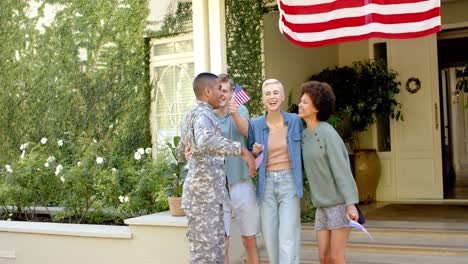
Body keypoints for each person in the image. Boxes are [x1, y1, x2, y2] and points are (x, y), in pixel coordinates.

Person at [176, 72, 256, 264]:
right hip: (203, 198)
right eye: (219, 90)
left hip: (210, 196)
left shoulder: (193, 114)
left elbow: (180, 151)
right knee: (205, 256)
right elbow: (206, 141)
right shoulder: (202, 114)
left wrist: (188, 151)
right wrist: (241, 150)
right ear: (208, 90)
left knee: (214, 253)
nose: (223, 94)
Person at [297, 81, 359, 264]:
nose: (300, 105)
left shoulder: (327, 132)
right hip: (321, 206)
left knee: (336, 257)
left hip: (339, 204)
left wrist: (351, 203)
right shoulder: (303, 135)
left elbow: (342, 169)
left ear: (316, 107)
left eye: (305, 102)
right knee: (323, 257)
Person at [247, 79, 303, 264]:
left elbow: (305, 148)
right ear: (263, 99)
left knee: (287, 238)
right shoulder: (255, 124)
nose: (272, 97)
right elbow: (251, 159)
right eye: (268, 93)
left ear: (283, 96)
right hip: (267, 185)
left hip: (289, 183)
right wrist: (254, 153)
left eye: (276, 92)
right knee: (270, 239)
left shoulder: (294, 121)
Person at [213, 74, 260, 264]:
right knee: (222, 242)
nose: (222, 94)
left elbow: (247, 132)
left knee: (249, 238)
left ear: (232, 92)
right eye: (219, 90)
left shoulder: (240, 109)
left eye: (225, 90)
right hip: (218, 186)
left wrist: (234, 113)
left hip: (241, 181)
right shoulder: (209, 115)